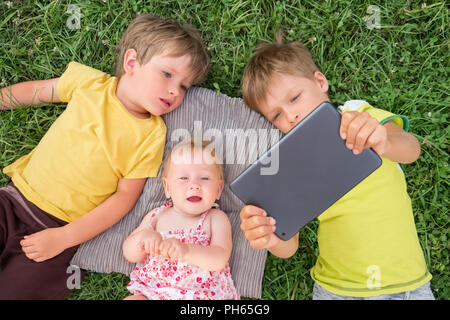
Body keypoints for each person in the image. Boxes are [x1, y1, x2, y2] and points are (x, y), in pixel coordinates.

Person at [0, 14, 209, 299]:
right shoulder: (91, 84)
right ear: (132, 62)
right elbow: (39, 91)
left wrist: (63, 239)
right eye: (167, 74)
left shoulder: (151, 135)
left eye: (185, 86)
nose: (175, 90)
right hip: (13, 201)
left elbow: (124, 199)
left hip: (62, 231)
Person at [239, 35, 434, 300]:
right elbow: (289, 246)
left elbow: (412, 150)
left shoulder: (358, 116)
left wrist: (383, 140)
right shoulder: (293, 164)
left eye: (295, 97)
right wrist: (271, 238)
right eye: (276, 115)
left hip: (406, 285)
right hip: (337, 290)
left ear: (320, 82)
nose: (291, 116)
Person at [122, 141, 239, 300]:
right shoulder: (156, 216)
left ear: (219, 189)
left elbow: (219, 258)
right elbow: (129, 253)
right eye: (183, 178)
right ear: (167, 187)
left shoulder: (215, 218)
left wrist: (186, 250)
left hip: (200, 294)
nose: (194, 185)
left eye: (204, 178)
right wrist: (142, 240)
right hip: (154, 291)